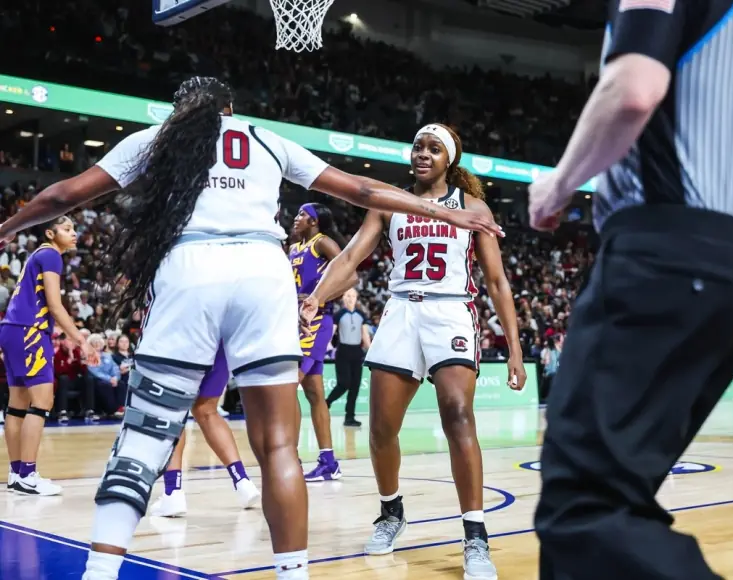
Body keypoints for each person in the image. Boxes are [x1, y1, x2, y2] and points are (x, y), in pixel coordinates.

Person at [0, 77, 500, 580]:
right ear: (232, 108)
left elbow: (64, 194)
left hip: (191, 269)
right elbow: (364, 189)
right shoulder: (265, 137)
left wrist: (5, 229)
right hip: (265, 274)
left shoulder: (160, 137)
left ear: (179, 111)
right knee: (279, 445)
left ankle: (101, 571)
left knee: (145, 435)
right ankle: (293, 572)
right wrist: (439, 209)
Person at [526, 2, 733, 578]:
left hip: (664, 256)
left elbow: (635, 90)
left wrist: (558, 186)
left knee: (584, 508)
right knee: (612, 503)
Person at [302, 123, 526, 580]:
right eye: (419, 146)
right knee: (382, 427)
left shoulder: (472, 207)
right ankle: (391, 512)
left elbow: (497, 282)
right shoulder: (389, 201)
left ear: (450, 160)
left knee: (458, 414)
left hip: (451, 313)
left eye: (434, 148)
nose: (423, 153)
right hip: (402, 310)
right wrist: (317, 296)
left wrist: (516, 350)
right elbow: (349, 259)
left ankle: (475, 536)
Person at [2, 217, 98, 496]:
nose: (74, 233)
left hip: (11, 329)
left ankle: (17, 473)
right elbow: (55, 306)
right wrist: (82, 341)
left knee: (17, 405)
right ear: (50, 232)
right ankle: (28, 475)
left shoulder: (37, 255)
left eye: (73, 228)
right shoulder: (51, 255)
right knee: (42, 402)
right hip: (30, 331)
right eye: (67, 229)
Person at [150, 343, 261, 517]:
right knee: (207, 410)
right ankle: (242, 481)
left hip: (185, 338)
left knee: (173, 411)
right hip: (221, 343)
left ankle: (173, 491)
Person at [287, 203, 355, 482]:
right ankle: (328, 461)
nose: (296, 217)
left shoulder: (322, 243)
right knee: (314, 392)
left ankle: (289, 457)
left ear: (314, 221)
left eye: (302, 214)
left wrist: (321, 298)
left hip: (316, 322)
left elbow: (350, 274)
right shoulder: (293, 248)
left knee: (287, 387)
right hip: (295, 321)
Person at [325, 288, 370, 428]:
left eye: (353, 296)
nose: (351, 298)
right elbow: (330, 333)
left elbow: (365, 336)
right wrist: (327, 346)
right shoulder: (339, 315)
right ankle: (326, 402)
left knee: (355, 387)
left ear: (356, 298)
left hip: (357, 352)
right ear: (343, 298)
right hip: (343, 352)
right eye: (348, 296)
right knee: (344, 383)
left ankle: (349, 417)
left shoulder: (361, 315)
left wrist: (372, 351)